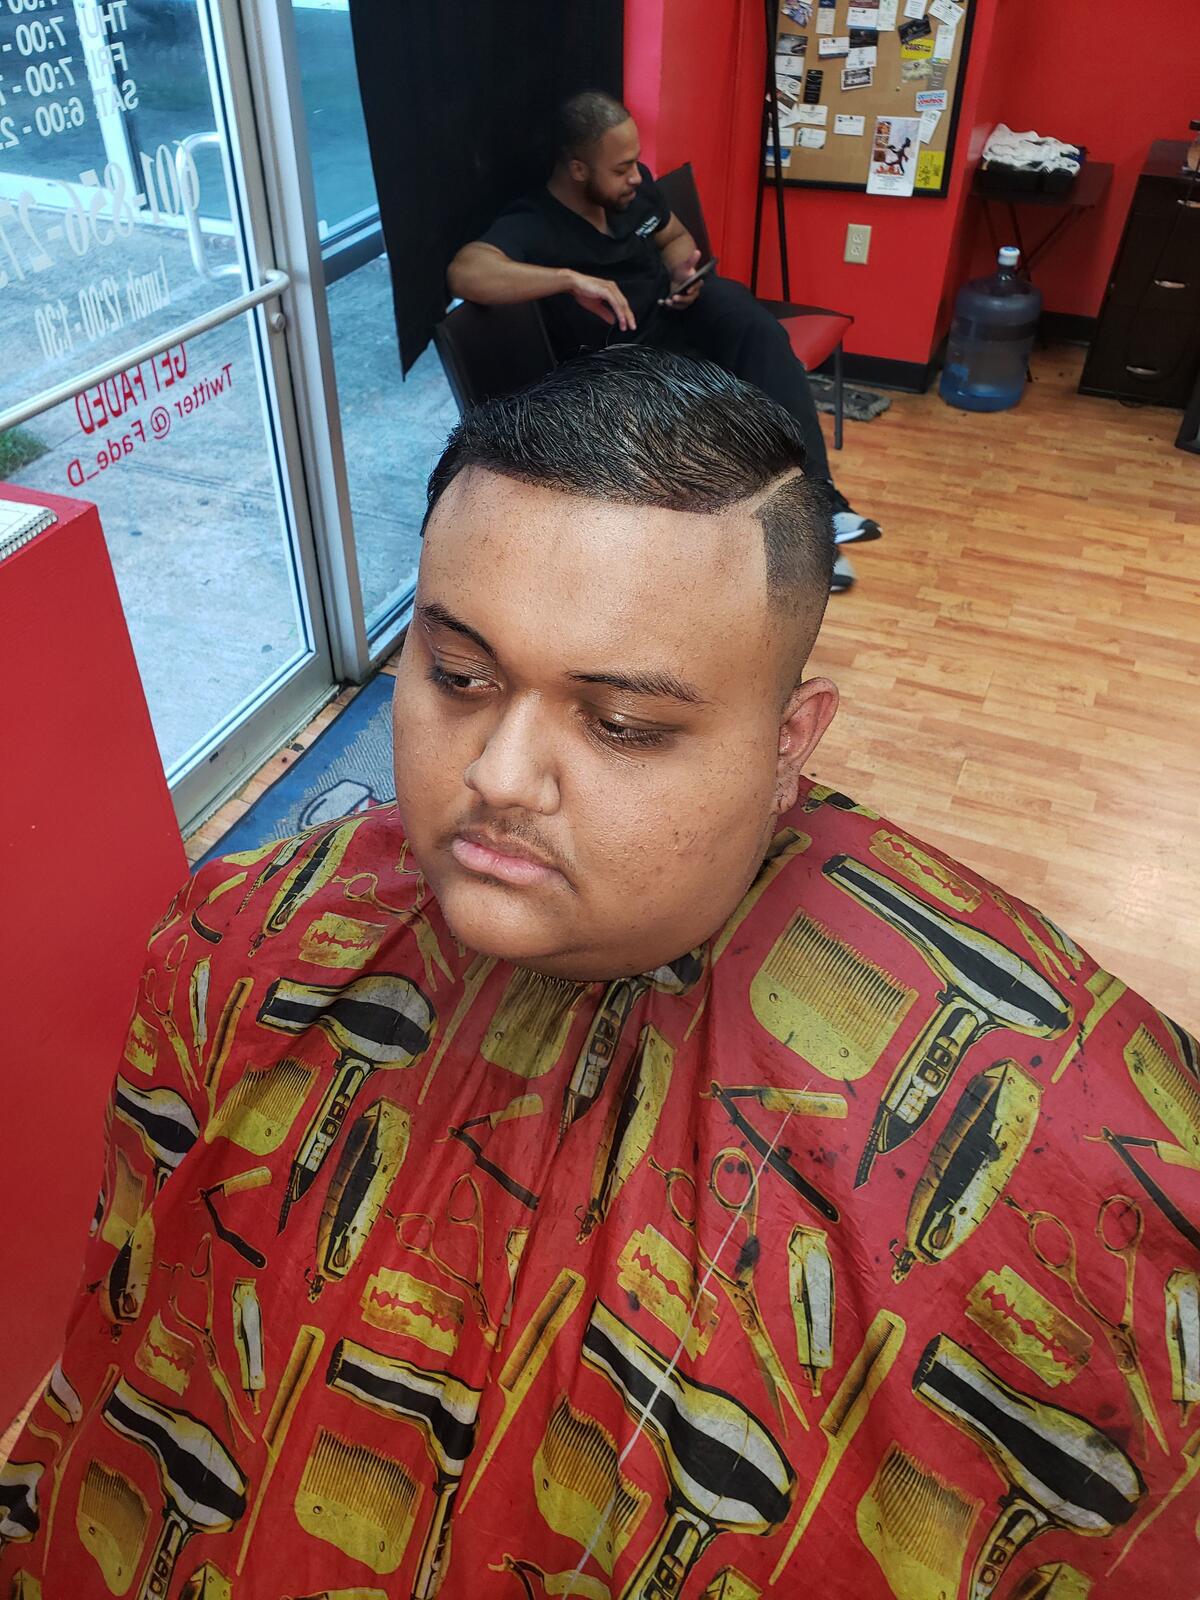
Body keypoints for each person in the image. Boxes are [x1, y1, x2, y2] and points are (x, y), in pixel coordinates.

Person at [1, 350, 1193, 1600]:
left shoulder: (1074, 1152)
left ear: (790, 742)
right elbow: (129, 1322)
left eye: (620, 724)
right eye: (459, 676)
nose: (500, 775)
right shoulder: (237, 940)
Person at [448, 89, 881, 595]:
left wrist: (681, 269)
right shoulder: (533, 223)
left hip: (676, 318)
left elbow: (675, 237)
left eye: (636, 163)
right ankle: (804, 544)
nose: (636, 176)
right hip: (626, 363)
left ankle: (822, 504)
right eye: (622, 168)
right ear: (578, 169)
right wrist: (568, 279)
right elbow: (466, 272)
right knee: (740, 410)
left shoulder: (634, 196)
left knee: (756, 330)